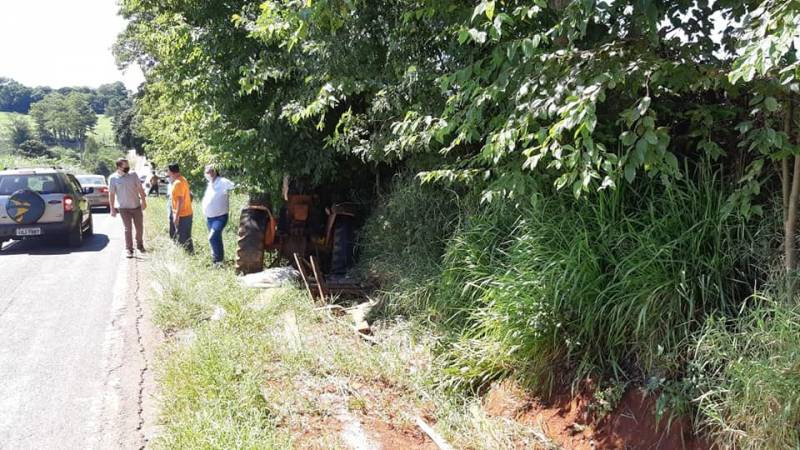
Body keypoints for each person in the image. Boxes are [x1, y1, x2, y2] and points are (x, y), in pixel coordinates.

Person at [108, 158, 148, 258]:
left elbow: (140, 188)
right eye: (125, 166)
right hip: (123, 208)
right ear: (118, 167)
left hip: (136, 206)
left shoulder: (133, 175)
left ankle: (139, 244)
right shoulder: (113, 178)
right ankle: (129, 249)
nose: (127, 167)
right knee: (127, 229)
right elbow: (111, 194)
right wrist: (112, 208)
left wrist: (143, 201)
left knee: (139, 228)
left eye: (128, 165)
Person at [201, 164, 235, 264]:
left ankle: (218, 260)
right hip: (209, 217)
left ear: (215, 171)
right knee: (216, 239)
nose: (209, 174)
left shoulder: (223, 181)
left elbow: (235, 187)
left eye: (211, 171)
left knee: (212, 237)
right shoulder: (209, 183)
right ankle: (216, 261)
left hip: (220, 216)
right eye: (207, 172)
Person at [167, 163, 194, 253]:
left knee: (182, 238)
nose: (167, 173)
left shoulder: (178, 183)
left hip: (183, 215)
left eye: (168, 171)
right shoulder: (183, 179)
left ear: (172, 172)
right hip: (187, 213)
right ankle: (191, 254)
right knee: (187, 237)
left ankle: (186, 255)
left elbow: (180, 200)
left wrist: (176, 216)